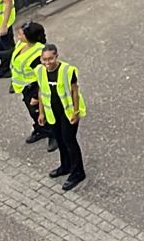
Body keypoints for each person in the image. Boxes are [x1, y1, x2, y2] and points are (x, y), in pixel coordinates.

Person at [37, 43, 84, 190]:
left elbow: (74, 92)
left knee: (69, 141)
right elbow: (40, 91)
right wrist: (42, 112)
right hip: (53, 112)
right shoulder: (39, 71)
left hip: (68, 112)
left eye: (50, 59)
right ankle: (66, 166)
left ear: (56, 57)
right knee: (60, 140)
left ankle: (78, 172)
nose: (47, 63)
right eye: (44, 59)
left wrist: (76, 113)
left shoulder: (67, 71)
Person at [9, 19, 47, 147]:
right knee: (33, 112)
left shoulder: (38, 53)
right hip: (25, 87)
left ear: (28, 37)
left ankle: (52, 134)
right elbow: (12, 55)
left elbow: (43, 79)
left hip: (34, 88)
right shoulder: (22, 44)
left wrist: (36, 97)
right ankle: (40, 129)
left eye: (20, 34)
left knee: (42, 111)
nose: (17, 37)